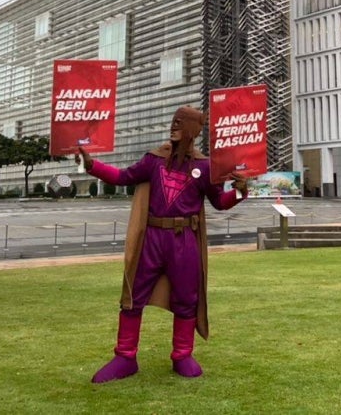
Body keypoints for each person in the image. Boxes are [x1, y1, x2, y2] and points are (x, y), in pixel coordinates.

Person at [78, 105, 248, 383]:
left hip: (184, 241)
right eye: (174, 120)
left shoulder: (205, 167)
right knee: (133, 295)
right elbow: (123, 177)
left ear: (194, 129)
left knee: (186, 299)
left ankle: (182, 354)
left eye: (181, 122)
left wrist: (240, 191)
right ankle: (125, 356)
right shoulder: (154, 159)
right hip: (153, 237)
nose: (174, 125)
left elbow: (219, 202)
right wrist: (91, 165)